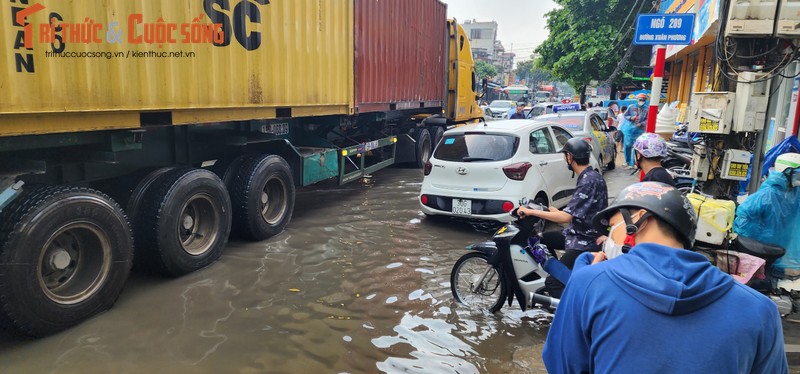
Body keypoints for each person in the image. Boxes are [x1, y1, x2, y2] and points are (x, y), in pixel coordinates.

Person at [542, 182, 788, 374]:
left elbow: (561, 364)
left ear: (639, 219)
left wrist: (586, 280)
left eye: (612, 225)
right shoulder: (759, 310)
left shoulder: (588, 285)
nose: (608, 236)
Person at [517, 138, 608, 298]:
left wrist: (532, 212)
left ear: (570, 157)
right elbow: (582, 208)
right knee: (539, 240)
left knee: (553, 284)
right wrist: (550, 210)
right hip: (579, 233)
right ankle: (560, 271)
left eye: (565, 155)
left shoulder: (587, 181)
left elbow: (565, 217)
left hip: (583, 241)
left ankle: (570, 304)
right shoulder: (592, 176)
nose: (565, 158)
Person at [622, 103, 642, 168]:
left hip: (640, 131)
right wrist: (631, 118)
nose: (641, 101)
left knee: (638, 147)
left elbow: (647, 119)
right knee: (627, 146)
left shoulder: (645, 109)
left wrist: (642, 123)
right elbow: (625, 115)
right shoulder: (631, 107)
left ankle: (636, 162)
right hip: (629, 130)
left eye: (643, 99)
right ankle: (628, 161)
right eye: (640, 99)